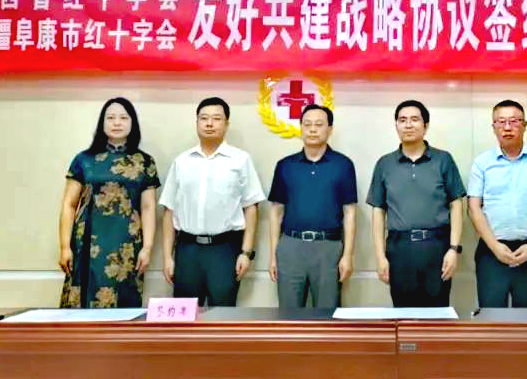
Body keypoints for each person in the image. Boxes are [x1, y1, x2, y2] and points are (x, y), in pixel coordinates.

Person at [159, 97, 264, 306]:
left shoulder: (240, 160)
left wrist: (246, 252)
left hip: (224, 249)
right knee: (185, 314)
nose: (209, 124)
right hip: (188, 249)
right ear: (196, 122)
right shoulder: (182, 162)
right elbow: (169, 210)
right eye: (204, 118)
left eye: (216, 119)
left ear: (226, 124)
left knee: (223, 314)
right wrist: (167, 257)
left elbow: (251, 208)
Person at [58, 97, 160, 308]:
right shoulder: (83, 159)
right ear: (102, 123)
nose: (117, 123)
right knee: (83, 305)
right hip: (87, 243)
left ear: (132, 123)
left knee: (123, 305)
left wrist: (147, 248)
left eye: (123, 118)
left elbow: (148, 207)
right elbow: (69, 205)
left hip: (126, 245)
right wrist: (65, 247)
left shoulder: (145, 162)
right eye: (111, 118)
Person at [367, 100, 465, 308]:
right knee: (403, 314)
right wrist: (380, 256)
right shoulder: (385, 164)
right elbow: (378, 211)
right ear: (396, 125)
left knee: (437, 314)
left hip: (436, 247)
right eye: (402, 120)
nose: (408, 125)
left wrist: (453, 249)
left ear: (425, 125)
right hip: (399, 249)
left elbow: (456, 204)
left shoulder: (443, 160)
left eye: (414, 120)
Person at [468, 99, 527, 308]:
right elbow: (474, 208)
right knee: (491, 316)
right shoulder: (482, 163)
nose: (507, 127)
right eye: (501, 122)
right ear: (493, 127)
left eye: (514, 121)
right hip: (491, 252)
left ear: (525, 125)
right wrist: (495, 246)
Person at [268, 104, 357, 308]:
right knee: (288, 314)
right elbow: (276, 212)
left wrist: (348, 255)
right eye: (307, 124)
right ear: (301, 128)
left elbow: (350, 213)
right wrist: (274, 255)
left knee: (328, 314)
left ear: (330, 129)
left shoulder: (343, 165)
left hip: (328, 247)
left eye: (319, 124)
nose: (312, 129)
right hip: (291, 246)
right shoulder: (285, 165)